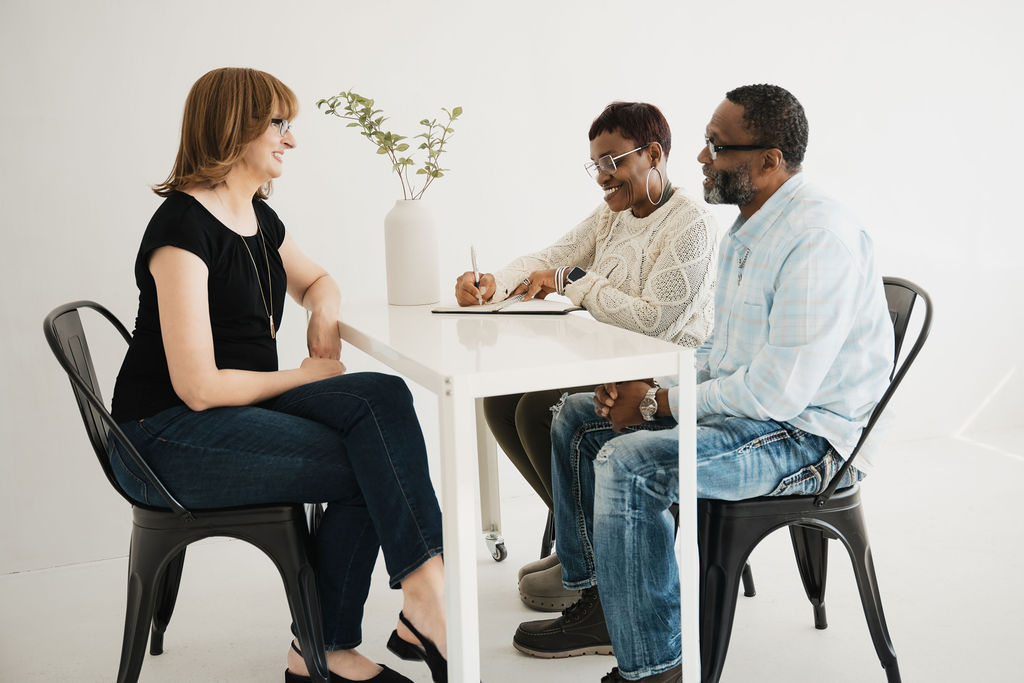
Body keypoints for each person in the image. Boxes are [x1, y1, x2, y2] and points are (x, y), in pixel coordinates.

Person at [512, 84, 895, 683]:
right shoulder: (750, 227)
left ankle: (656, 668)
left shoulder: (817, 240)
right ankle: (603, 606)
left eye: (717, 147)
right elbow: (719, 355)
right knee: (575, 416)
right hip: (756, 416)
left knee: (629, 464)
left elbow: (774, 395)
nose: (699, 158)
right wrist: (647, 386)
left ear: (769, 160)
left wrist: (658, 404)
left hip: (807, 438)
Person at [107, 68, 449, 683]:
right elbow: (199, 387)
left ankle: (422, 593)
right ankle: (330, 650)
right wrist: (303, 375)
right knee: (373, 462)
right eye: (279, 124)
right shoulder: (180, 229)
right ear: (235, 128)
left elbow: (319, 279)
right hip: (162, 436)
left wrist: (324, 308)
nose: (291, 140)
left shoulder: (258, 218)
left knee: (382, 395)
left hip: (231, 413)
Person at [453, 102, 717, 610]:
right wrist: (493, 283)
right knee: (500, 400)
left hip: (664, 373)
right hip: (613, 361)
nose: (602, 177)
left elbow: (654, 322)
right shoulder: (612, 216)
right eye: (595, 164)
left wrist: (576, 284)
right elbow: (553, 257)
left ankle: (593, 565)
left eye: (612, 161)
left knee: (536, 408)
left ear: (654, 153)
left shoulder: (691, 223)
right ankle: (588, 542)